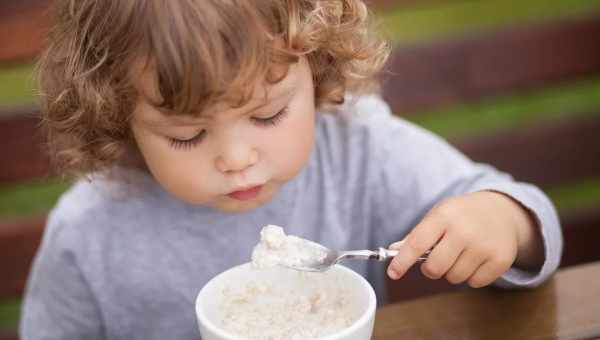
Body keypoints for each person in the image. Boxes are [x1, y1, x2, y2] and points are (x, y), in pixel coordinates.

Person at [20, 0, 562, 339]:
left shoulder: (356, 150)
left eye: (268, 114)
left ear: (317, 68)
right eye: (187, 135)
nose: (236, 159)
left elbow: (526, 219)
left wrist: (501, 222)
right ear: (117, 116)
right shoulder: (89, 238)